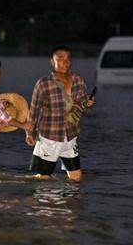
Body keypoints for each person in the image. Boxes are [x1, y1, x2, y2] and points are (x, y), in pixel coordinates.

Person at [25, 46, 95, 182]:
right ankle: (39, 202)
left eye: (68, 58)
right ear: (52, 61)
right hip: (49, 137)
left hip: (70, 136)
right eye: (61, 59)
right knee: (44, 179)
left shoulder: (78, 80)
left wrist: (88, 104)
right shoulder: (43, 84)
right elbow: (33, 111)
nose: (65, 62)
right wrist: (30, 133)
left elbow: (82, 104)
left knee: (76, 178)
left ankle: (67, 202)